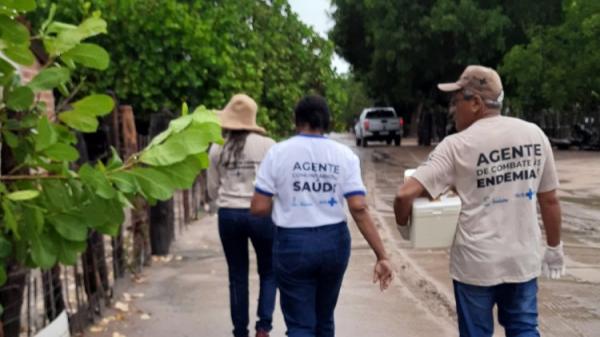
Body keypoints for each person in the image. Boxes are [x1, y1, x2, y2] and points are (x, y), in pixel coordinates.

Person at [394, 65, 565, 337]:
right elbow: (550, 200)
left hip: (475, 266)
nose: (452, 109)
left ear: (475, 103)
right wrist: (554, 249)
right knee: (524, 329)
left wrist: (405, 228)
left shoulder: (455, 145)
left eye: (455, 101)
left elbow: (404, 194)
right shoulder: (534, 135)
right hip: (522, 261)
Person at [250, 95, 394, 337]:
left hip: (292, 244)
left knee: (300, 325)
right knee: (324, 319)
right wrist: (382, 255)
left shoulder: (278, 153)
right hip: (333, 243)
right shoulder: (344, 155)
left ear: (295, 121)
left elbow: (258, 207)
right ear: (327, 122)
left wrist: (289, 201)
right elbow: (358, 207)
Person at [207, 94, 276, 337]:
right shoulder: (268, 145)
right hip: (261, 214)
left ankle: (240, 331)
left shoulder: (217, 147)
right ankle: (263, 326)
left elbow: (212, 189)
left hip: (229, 215)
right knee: (268, 271)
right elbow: (276, 185)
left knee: (237, 275)